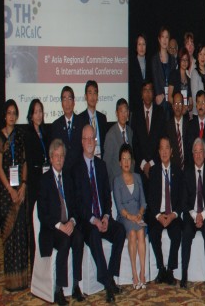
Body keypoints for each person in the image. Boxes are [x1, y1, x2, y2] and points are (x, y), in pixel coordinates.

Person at [73, 125, 125, 303]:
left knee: (120, 231)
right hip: (86, 223)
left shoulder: (101, 166)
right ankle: (108, 283)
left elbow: (106, 197)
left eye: (92, 138)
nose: (89, 142)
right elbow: (78, 204)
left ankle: (109, 276)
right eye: (86, 138)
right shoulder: (76, 168)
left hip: (102, 218)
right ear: (81, 142)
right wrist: (94, 220)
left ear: (95, 141)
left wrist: (106, 217)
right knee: (94, 234)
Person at [37, 139, 85, 304]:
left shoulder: (68, 178)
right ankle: (59, 290)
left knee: (78, 238)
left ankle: (76, 285)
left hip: (67, 224)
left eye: (61, 156)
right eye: (55, 156)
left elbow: (75, 207)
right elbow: (42, 214)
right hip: (52, 228)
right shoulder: (44, 180)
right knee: (65, 241)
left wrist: (71, 221)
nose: (59, 159)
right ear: (50, 158)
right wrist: (60, 226)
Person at [0, 99, 29, 291]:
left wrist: (23, 185)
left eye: (14, 113)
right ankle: (11, 281)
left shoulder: (20, 136)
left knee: (21, 235)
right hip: (7, 193)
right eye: (9, 113)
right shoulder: (0, 137)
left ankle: (22, 280)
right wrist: (10, 189)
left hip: (21, 191)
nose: (12, 116)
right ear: (4, 116)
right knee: (10, 236)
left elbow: (24, 162)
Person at [180, 138, 205, 289]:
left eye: (201, 151)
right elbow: (184, 201)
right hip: (191, 214)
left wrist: (203, 215)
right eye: (195, 152)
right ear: (192, 154)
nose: (198, 155)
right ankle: (184, 275)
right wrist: (196, 216)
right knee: (187, 232)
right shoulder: (186, 172)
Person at [147, 137, 183, 286]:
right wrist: (158, 215)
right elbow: (150, 198)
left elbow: (182, 198)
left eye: (167, 148)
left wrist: (173, 215)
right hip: (158, 214)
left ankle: (170, 271)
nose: (164, 151)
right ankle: (161, 268)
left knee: (176, 233)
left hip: (173, 214)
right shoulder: (154, 171)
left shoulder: (177, 171)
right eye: (161, 148)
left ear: (172, 151)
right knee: (154, 234)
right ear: (159, 152)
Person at [112, 144, 147, 290]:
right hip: (125, 217)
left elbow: (143, 201)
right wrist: (132, 217)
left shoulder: (138, 177)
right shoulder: (117, 181)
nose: (126, 162)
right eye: (123, 159)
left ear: (132, 161)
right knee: (132, 233)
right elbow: (120, 207)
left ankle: (143, 273)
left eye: (128, 159)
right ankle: (134, 273)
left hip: (138, 215)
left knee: (140, 232)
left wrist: (140, 214)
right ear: (119, 162)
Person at [24, 98, 49, 270]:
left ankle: (44, 263)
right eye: (36, 111)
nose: (39, 115)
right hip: (34, 184)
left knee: (46, 222)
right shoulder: (27, 134)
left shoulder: (45, 132)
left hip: (45, 184)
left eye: (41, 111)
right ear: (31, 115)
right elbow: (29, 160)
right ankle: (34, 264)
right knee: (34, 224)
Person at [131, 81, 166, 180]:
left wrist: (151, 164)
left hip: (156, 166)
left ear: (153, 93)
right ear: (141, 94)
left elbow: (162, 140)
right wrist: (143, 164)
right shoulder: (136, 114)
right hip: (140, 168)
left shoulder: (160, 113)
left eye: (150, 90)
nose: (147, 93)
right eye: (145, 91)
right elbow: (135, 142)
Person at [50, 86, 82, 176]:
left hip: (80, 173)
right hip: (63, 174)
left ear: (74, 102)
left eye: (70, 99)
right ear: (61, 103)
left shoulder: (82, 123)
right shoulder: (56, 125)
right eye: (64, 99)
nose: (67, 103)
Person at [104, 98, 135, 187]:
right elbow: (107, 164)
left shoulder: (130, 131)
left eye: (126, 111)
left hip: (130, 181)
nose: (123, 115)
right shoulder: (110, 135)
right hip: (116, 184)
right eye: (121, 111)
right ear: (116, 113)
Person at [78, 80, 107, 159]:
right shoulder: (79, 119)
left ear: (97, 96)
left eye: (95, 93)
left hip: (101, 159)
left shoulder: (102, 118)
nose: (92, 96)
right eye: (90, 93)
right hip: (86, 158)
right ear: (85, 96)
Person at [151, 26, 176, 118]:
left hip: (170, 101)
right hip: (159, 101)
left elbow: (174, 80)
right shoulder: (154, 60)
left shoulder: (173, 59)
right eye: (162, 37)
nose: (165, 40)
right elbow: (155, 80)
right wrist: (159, 96)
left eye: (167, 37)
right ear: (159, 39)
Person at [167, 92, 190, 172]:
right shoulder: (167, 126)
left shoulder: (189, 125)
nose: (177, 107)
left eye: (180, 103)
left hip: (188, 168)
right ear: (172, 106)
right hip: (173, 169)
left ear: (183, 106)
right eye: (175, 103)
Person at [190, 44, 205, 117]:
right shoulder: (194, 73)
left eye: (204, 54)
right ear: (197, 56)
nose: (202, 57)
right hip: (198, 114)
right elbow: (194, 97)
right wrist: (200, 113)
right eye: (200, 54)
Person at [169, 47, 193, 117]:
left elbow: (191, 102)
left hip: (185, 115)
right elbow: (169, 97)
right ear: (179, 60)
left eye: (186, 60)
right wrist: (179, 107)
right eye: (183, 60)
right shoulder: (173, 74)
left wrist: (188, 108)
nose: (185, 62)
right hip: (175, 113)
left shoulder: (189, 79)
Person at [130, 34, 152, 112]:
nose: (141, 47)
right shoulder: (131, 64)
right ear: (136, 47)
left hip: (149, 105)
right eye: (139, 44)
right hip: (135, 105)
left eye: (143, 44)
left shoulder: (150, 63)